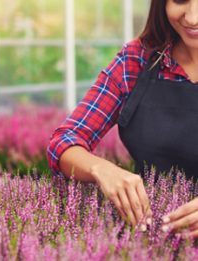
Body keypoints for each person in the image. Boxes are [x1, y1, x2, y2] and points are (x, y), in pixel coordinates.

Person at [47, 0, 198, 238]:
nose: (192, 18)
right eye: (180, 0)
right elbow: (64, 142)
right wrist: (102, 169)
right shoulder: (136, 61)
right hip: (149, 236)